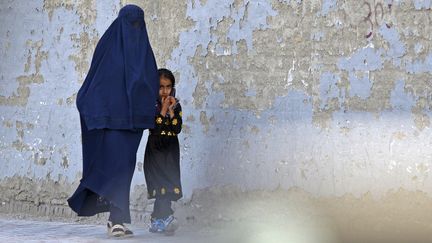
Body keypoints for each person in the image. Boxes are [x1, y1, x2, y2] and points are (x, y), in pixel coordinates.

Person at [67, 4, 159, 238]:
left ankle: (115, 220)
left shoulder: (145, 52)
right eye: (131, 23)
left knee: (125, 169)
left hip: (134, 123)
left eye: (139, 24)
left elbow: (150, 84)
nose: (135, 28)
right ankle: (116, 219)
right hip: (111, 121)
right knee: (115, 169)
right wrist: (95, 108)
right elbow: (95, 81)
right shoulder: (108, 47)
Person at [144, 68, 183, 235]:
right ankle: (163, 218)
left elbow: (177, 128)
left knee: (168, 183)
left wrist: (172, 110)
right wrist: (163, 110)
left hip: (170, 151)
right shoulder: (151, 105)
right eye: (161, 87)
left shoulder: (177, 105)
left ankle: (159, 220)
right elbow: (155, 127)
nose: (164, 91)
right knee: (160, 185)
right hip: (156, 150)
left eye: (168, 87)